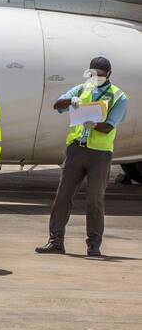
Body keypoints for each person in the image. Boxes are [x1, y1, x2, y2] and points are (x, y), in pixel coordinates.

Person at [38, 56, 129, 257]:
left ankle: (94, 244)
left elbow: (109, 126)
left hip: (100, 153)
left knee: (95, 200)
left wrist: (94, 124)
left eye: (101, 75)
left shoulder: (119, 97)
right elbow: (57, 105)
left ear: (109, 75)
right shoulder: (81, 89)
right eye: (93, 74)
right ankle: (55, 241)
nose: (96, 78)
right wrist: (71, 100)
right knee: (63, 196)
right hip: (76, 150)